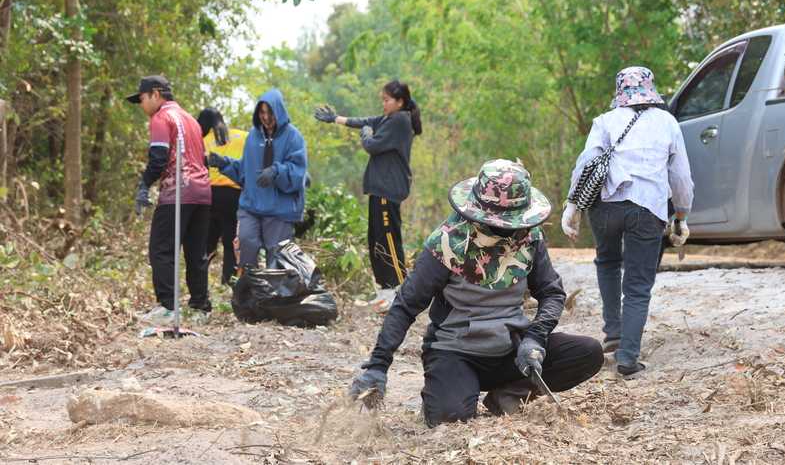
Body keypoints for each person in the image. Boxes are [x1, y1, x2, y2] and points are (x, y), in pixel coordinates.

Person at [348, 160, 604, 427]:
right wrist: (378, 365)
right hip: (455, 352)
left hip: (513, 350)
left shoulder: (530, 237)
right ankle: (443, 393)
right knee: (451, 419)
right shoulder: (446, 243)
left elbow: (551, 293)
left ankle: (507, 396)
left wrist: (535, 338)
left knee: (587, 351)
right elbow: (406, 305)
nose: (508, 229)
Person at [561, 66, 694, 380]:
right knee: (637, 284)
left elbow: (586, 164)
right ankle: (628, 360)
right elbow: (681, 178)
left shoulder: (605, 121)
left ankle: (614, 333)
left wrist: (572, 205)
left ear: (619, 91)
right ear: (651, 90)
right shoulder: (668, 122)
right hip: (648, 209)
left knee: (607, 261)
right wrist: (681, 216)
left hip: (604, 208)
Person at [314, 80, 422, 292]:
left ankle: (400, 290)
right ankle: (385, 289)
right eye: (382, 99)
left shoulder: (400, 119)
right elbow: (363, 120)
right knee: (376, 241)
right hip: (378, 189)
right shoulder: (389, 117)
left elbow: (372, 144)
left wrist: (366, 132)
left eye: (386, 100)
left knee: (389, 240)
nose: (383, 103)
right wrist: (335, 118)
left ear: (400, 102)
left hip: (388, 188)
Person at [126, 75, 212, 320]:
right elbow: (204, 160)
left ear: (155, 94)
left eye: (142, 99)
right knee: (196, 251)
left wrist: (144, 186)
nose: (141, 105)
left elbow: (159, 158)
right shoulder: (191, 120)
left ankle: (167, 307)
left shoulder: (161, 118)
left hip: (178, 191)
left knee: (161, 249)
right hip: (203, 191)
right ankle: (200, 307)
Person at [208, 88, 307, 270]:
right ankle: (249, 293)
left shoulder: (293, 137)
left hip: (280, 209)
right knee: (244, 242)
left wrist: (276, 171)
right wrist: (224, 163)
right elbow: (246, 171)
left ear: (280, 111)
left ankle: (274, 296)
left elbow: (298, 171)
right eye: (262, 112)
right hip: (252, 205)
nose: (266, 117)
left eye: (271, 112)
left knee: (276, 257)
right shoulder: (253, 136)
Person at [197, 107, 248, 285]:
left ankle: (198, 283)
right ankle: (229, 284)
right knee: (230, 243)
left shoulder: (201, 141)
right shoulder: (243, 136)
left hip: (208, 197)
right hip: (233, 196)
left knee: (206, 244)